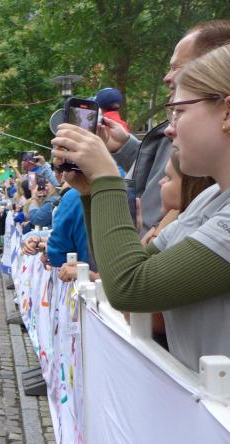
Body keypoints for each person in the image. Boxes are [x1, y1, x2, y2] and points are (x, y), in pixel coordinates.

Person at [51, 43, 230, 373]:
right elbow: (122, 270)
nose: (170, 128)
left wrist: (106, 176)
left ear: (227, 112)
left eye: (179, 111)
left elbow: (131, 287)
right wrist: (90, 191)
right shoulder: (211, 197)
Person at [100, 20, 230, 234]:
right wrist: (125, 147)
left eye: (177, 67)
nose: (167, 77)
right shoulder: (208, 196)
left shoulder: (211, 188)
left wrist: (101, 176)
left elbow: (135, 264)